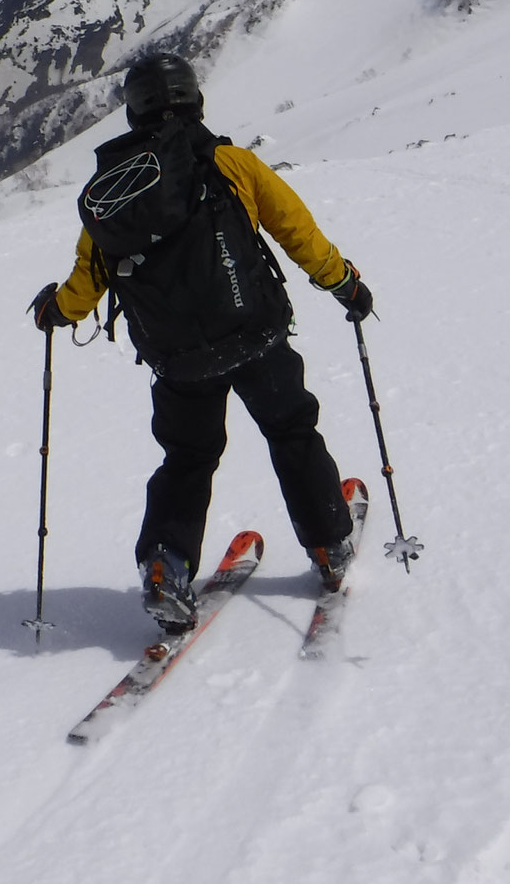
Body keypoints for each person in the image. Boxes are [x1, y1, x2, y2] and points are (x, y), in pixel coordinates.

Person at [28, 52, 374, 633]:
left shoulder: (115, 193)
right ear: (195, 98)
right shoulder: (230, 163)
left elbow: (88, 281)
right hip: (256, 335)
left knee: (187, 459)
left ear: (134, 110)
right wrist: (345, 284)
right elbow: (297, 231)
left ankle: (166, 567)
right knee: (291, 432)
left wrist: (55, 311)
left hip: (177, 359)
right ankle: (329, 547)